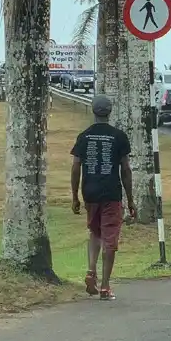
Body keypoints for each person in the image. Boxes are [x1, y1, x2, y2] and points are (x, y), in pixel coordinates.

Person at [71, 93, 136, 300]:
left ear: (93, 110)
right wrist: (131, 199)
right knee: (110, 239)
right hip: (111, 193)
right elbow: (125, 169)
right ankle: (106, 286)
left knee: (95, 232)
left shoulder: (84, 136)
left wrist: (75, 196)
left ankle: (91, 271)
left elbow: (75, 167)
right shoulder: (118, 136)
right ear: (109, 111)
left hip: (89, 192)